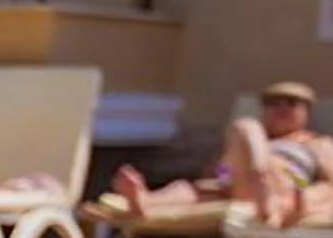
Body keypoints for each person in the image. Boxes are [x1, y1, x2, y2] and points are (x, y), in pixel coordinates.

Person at [112, 80, 333, 227]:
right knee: (189, 187)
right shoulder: (253, 141)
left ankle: (261, 180)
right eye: (273, 103)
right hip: (235, 187)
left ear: (307, 112)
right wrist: (220, 175)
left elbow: (329, 184)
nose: (282, 108)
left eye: (292, 103)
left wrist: (303, 199)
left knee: (244, 126)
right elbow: (214, 172)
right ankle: (144, 201)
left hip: (282, 186)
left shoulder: (315, 142)